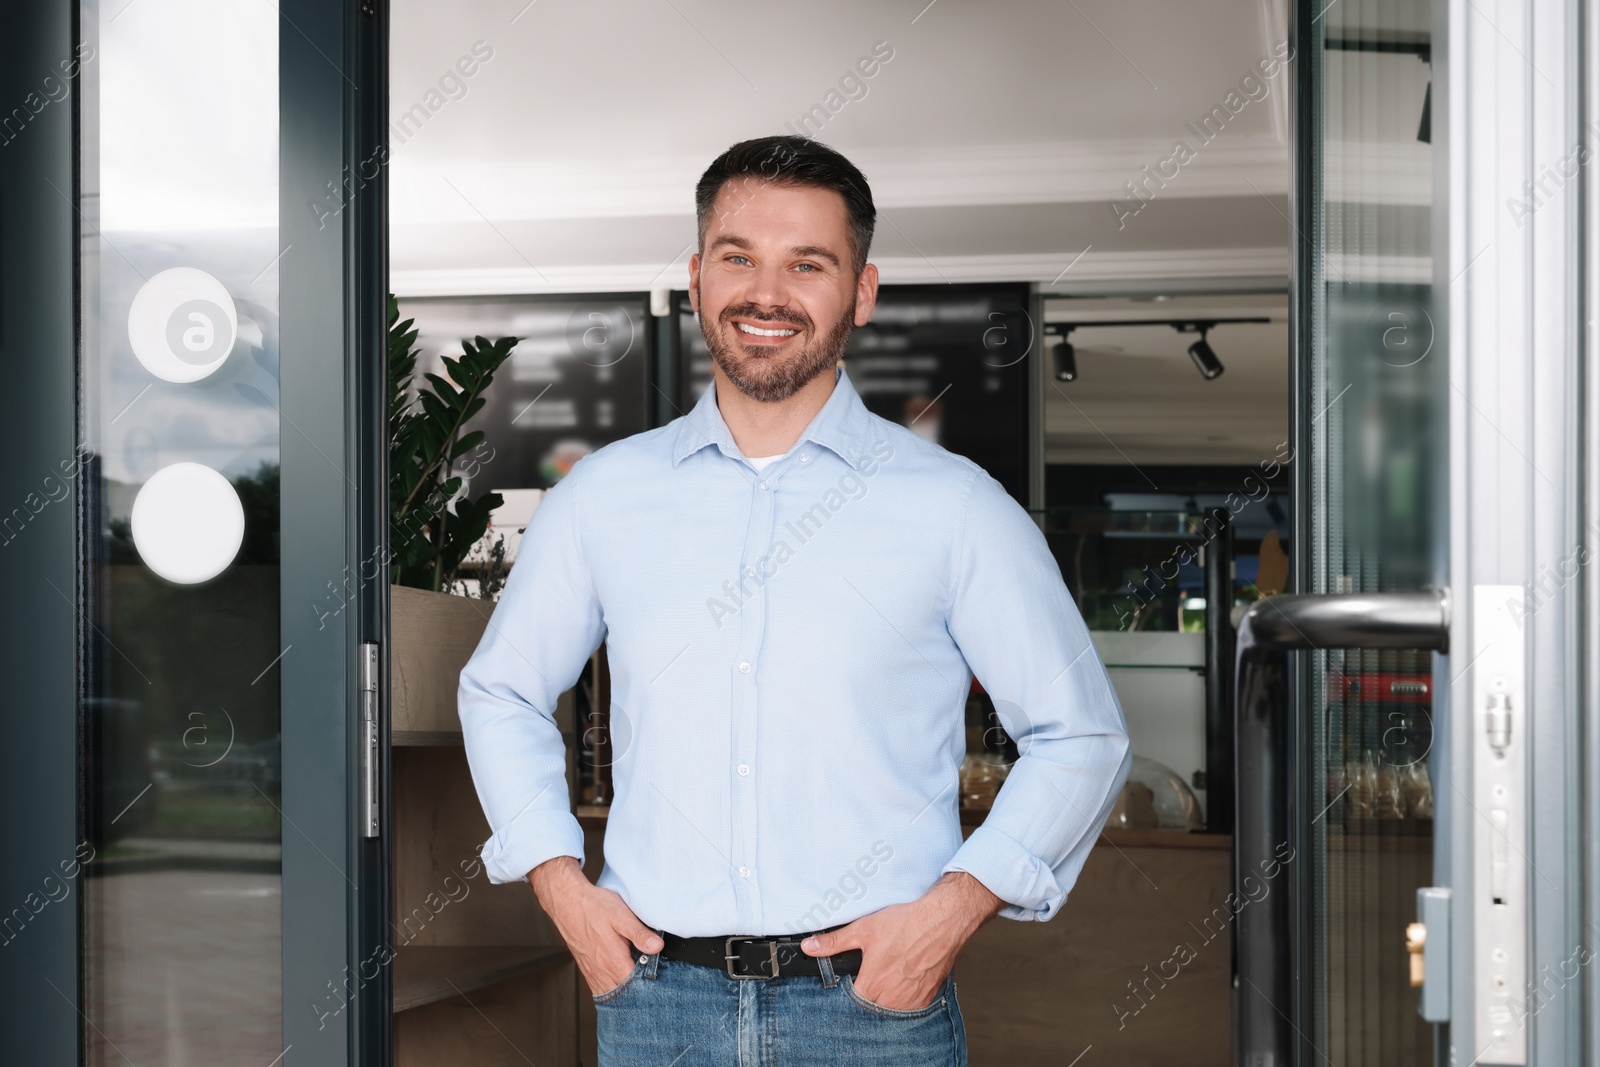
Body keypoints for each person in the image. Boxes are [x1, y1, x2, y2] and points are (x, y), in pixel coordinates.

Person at [458, 134, 1131, 1066]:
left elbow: (1081, 733)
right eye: (739, 257)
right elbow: (503, 690)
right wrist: (560, 886)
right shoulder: (603, 499)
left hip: (871, 1010)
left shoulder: (956, 506)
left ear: (861, 291)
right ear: (697, 277)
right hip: (656, 1008)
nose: (765, 293)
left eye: (806, 263)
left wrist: (952, 911)